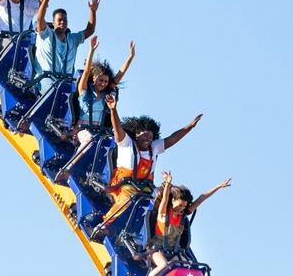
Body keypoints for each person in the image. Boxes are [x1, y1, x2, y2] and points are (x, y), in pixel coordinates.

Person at [90, 95, 203, 238]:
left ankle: (160, 234)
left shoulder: (154, 148)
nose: (148, 140)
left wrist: (190, 127)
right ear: (137, 134)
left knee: (168, 198)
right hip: (123, 185)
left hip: (146, 187)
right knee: (129, 198)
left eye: (150, 138)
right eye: (144, 136)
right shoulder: (127, 144)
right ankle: (104, 224)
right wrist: (113, 110)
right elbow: (117, 129)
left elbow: (172, 138)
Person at [147, 173, 231, 276]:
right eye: (180, 205)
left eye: (184, 206)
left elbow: (201, 198)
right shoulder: (163, 213)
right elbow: (164, 199)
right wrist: (168, 183)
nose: (181, 208)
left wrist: (218, 187)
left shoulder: (182, 216)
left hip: (173, 252)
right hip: (156, 250)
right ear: (173, 200)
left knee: (192, 267)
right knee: (164, 265)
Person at [33, 0, 98, 94]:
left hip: (65, 81)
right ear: (53, 23)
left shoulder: (72, 39)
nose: (63, 22)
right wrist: (46, 0)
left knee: (83, 95)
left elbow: (90, 30)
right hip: (45, 80)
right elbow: (40, 19)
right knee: (56, 93)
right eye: (59, 20)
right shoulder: (46, 34)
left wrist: (93, 11)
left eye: (65, 20)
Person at [73, 37, 135, 147]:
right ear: (94, 79)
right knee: (88, 140)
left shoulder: (104, 94)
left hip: (98, 132)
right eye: (101, 80)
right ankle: (74, 162)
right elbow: (87, 72)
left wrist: (130, 57)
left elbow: (118, 76)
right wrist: (91, 50)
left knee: (117, 143)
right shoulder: (84, 90)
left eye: (106, 81)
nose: (103, 84)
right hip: (81, 131)